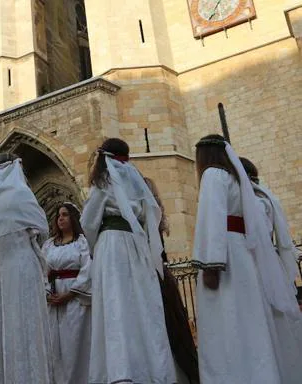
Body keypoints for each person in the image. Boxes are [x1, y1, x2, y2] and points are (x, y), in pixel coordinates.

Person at [80, 138, 176, 383]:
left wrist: (95, 248)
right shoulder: (137, 181)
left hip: (111, 245)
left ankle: (120, 370)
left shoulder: (102, 183)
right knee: (140, 305)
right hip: (136, 245)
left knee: (116, 303)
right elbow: (150, 215)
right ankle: (150, 368)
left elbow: (89, 222)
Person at [192, 134, 282, 383]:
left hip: (224, 256)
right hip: (242, 254)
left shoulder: (212, 175)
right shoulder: (238, 180)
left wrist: (210, 264)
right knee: (249, 319)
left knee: (226, 319)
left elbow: (212, 217)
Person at [0, 153, 53, 384]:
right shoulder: (20, 193)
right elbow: (42, 228)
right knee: (25, 326)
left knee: (0, 329)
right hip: (21, 266)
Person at [240, 157, 302, 381]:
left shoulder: (257, 202)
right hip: (269, 262)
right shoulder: (265, 198)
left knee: (272, 317)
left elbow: (257, 234)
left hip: (262, 264)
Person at [144, 177, 200, 384]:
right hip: (162, 277)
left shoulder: (149, 219)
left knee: (166, 328)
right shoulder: (155, 218)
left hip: (156, 277)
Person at [43, 202, 91, 384]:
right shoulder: (48, 245)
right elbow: (42, 270)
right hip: (54, 300)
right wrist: (47, 292)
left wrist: (70, 294)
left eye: (64, 215)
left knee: (74, 347)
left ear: (73, 218)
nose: (60, 218)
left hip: (75, 300)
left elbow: (88, 269)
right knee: (55, 348)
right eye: (58, 215)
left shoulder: (82, 243)